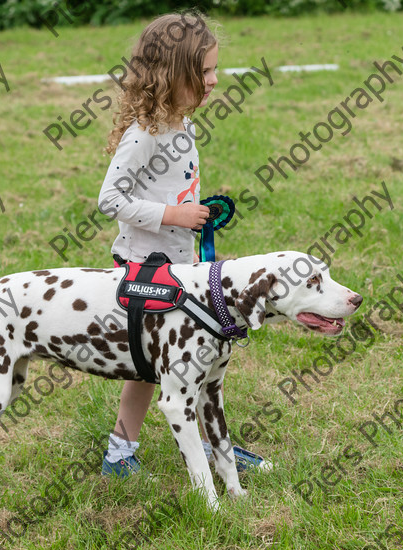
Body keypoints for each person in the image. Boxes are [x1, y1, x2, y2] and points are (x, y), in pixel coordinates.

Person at [96, 11, 271, 477]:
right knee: (148, 368)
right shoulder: (143, 137)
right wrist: (172, 215)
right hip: (143, 269)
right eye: (205, 71)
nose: (215, 80)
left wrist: (194, 221)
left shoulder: (183, 126)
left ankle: (219, 451)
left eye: (215, 69)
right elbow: (110, 198)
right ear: (172, 75)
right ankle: (119, 454)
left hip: (180, 265)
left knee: (201, 359)